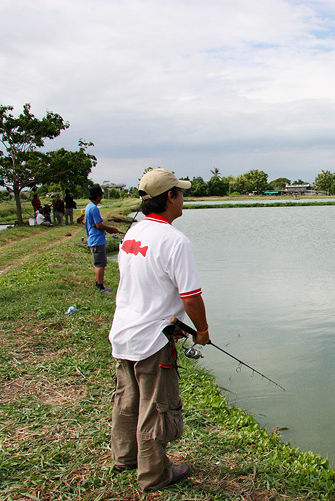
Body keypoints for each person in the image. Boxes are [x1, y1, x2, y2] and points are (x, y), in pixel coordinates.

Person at [108, 168, 209, 492]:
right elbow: (191, 297)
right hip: (152, 341)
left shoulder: (133, 235)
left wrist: (174, 323)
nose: (183, 197)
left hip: (124, 332)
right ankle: (154, 475)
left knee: (127, 401)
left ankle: (126, 457)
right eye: (180, 192)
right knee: (155, 406)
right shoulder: (175, 241)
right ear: (170, 197)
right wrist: (201, 330)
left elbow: (146, 287)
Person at [84, 185, 120, 292]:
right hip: (97, 240)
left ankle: (99, 284)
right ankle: (100, 287)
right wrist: (110, 229)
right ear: (97, 196)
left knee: (99, 264)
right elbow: (98, 225)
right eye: (100, 196)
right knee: (100, 264)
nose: (101, 198)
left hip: (93, 239)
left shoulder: (89, 206)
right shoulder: (94, 208)